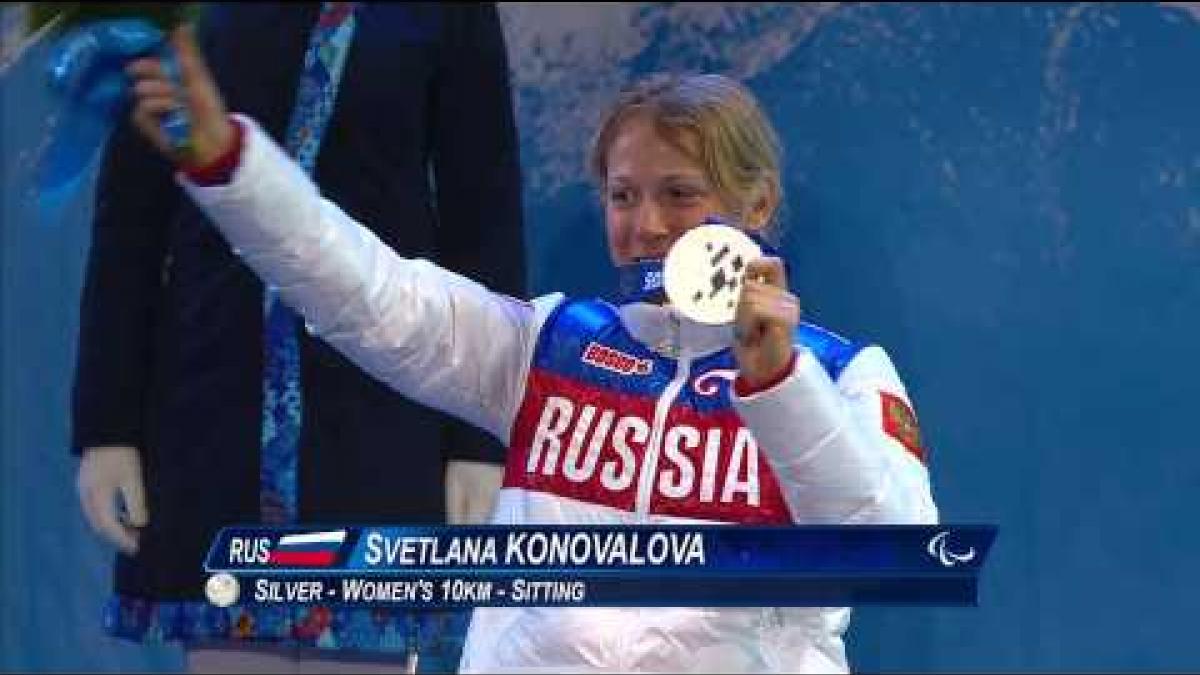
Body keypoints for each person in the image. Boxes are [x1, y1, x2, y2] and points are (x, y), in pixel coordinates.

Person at [125, 25, 939, 673]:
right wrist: (231, 166)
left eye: (679, 194)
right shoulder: (547, 344)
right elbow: (365, 290)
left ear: (755, 202)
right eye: (624, 196)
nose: (647, 225)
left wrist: (780, 385)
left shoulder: (840, 374)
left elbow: (897, 559)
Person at [71, 4, 525, 672]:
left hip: (381, 408)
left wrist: (479, 436)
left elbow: (481, 210)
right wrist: (107, 424)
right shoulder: (185, 10)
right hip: (217, 401)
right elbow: (130, 228)